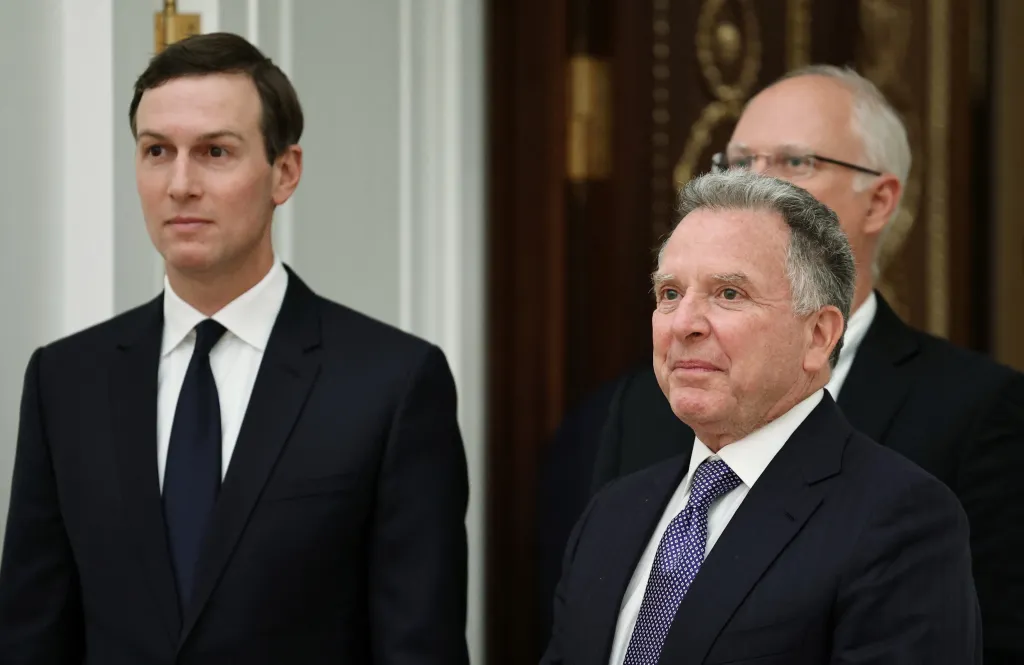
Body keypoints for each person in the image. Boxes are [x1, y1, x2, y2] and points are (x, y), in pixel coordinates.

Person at [0, 33, 469, 665]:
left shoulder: (392, 383)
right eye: (157, 151)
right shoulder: (65, 380)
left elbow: (420, 647)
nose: (180, 183)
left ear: (285, 172)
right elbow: (32, 635)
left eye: (215, 151)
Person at [537, 65, 1024, 664]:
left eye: (729, 294)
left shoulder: (911, 504)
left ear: (820, 335)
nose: (686, 323)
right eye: (668, 293)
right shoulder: (613, 510)